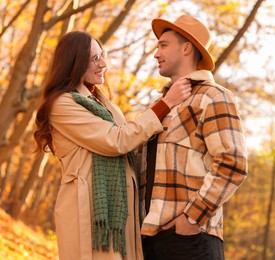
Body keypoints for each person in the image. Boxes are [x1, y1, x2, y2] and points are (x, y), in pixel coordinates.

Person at [33, 31, 192, 260]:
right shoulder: (63, 104)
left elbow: (132, 140)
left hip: (118, 210)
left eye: (102, 56)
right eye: (94, 59)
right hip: (92, 212)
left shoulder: (102, 102)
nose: (103, 64)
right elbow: (116, 140)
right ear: (75, 63)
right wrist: (166, 104)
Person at [139, 15, 248, 260]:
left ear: (187, 47)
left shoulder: (213, 97)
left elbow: (233, 163)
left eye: (163, 45)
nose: (156, 53)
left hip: (191, 241)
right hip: (150, 241)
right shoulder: (160, 107)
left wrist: (191, 219)